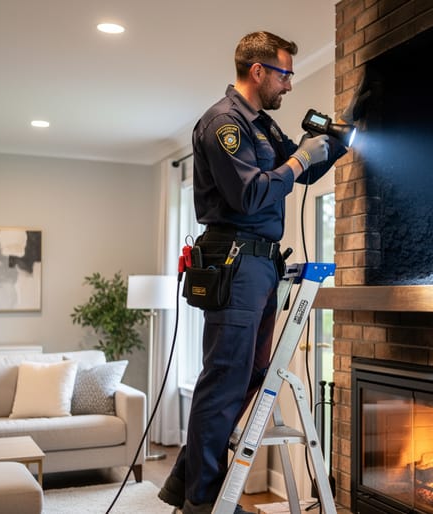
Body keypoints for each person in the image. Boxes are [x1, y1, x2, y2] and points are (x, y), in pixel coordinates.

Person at [158, 31, 347, 514]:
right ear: (258, 71)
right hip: (235, 261)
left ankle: (188, 483)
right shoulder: (225, 123)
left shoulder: (263, 125)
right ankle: (203, 501)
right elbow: (249, 193)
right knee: (225, 378)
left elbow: (302, 172)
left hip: (262, 264)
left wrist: (336, 143)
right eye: (285, 74)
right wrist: (300, 158)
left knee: (252, 374)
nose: (289, 84)